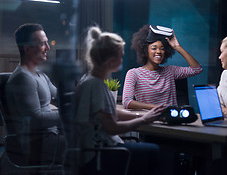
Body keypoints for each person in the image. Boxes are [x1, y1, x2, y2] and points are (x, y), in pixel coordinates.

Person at [74, 26, 168, 175]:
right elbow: (112, 128)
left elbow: (110, 113)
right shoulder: (95, 85)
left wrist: (144, 116)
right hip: (99, 154)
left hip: (98, 150)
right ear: (111, 60)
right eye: (121, 56)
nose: (122, 60)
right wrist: (143, 120)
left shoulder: (92, 80)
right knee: (156, 151)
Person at [5, 23, 64, 165]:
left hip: (50, 137)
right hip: (38, 144)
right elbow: (36, 119)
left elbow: (60, 95)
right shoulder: (23, 78)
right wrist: (68, 114)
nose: (48, 48)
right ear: (27, 49)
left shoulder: (39, 74)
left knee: (93, 137)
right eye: (43, 44)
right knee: (90, 144)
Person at [122, 25, 203, 110]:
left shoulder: (170, 71)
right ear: (145, 50)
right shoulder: (134, 74)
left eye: (162, 49)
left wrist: (178, 48)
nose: (158, 52)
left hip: (172, 120)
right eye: (154, 48)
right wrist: (158, 108)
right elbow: (127, 102)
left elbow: (197, 69)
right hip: (149, 120)